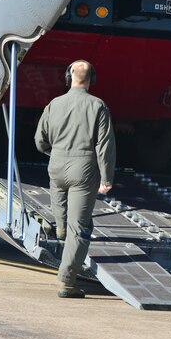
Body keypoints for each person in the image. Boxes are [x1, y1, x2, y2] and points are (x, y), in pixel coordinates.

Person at [35, 60, 116, 298]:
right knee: (80, 228)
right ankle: (67, 282)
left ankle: (60, 229)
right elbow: (105, 146)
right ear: (92, 79)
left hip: (56, 167)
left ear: (68, 78)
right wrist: (106, 177)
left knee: (63, 222)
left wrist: (57, 153)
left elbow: (40, 142)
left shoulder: (54, 104)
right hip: (83, 170)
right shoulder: (98, 106)